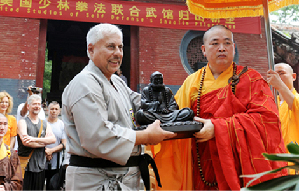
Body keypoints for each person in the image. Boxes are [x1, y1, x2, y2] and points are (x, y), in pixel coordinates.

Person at [152, 25, 287, 190]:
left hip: (240, 169)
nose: (222, 48)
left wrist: (218, 128)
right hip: (201, 167)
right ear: (203, 49)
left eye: (227, 43)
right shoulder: (192, 82)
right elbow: (173, 117)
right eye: (215, 43)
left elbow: (268, 121)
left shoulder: (252, 80)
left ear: (234, 47)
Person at [62, 23, 175, 191]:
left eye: (120, 47)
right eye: (111, 47)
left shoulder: (116, 81)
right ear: (91, 50)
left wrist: (175, 112)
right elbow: (98, 136)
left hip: (126, 176)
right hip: (96, 180)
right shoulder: (85, 83)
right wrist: (145, 137)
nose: (118, 53)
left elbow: (141, 104)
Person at [17, 94, 56, 190]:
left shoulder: (44, 123)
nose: (37, 106)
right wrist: (44, 143)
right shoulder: (22, 122)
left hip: (40, 166)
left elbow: (53, 139)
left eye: (39, 104)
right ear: (28, 106)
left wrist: (34, 139)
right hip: (25, 166)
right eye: (34, 104)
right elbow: (26, 142)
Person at [267, 63, 299, 146]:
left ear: (293, 76)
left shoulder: (297, 99)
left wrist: (280, 85)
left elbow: (295, 105)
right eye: (274, 75)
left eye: (281, 73)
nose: (277, 78)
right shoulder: (270, 102)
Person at [44, 101, 66, 190]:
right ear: (47, 110)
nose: (54, 111)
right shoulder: (42, 123)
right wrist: (46, 152)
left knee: (53, 187)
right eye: (52, 109)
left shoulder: (62, 125)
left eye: (56, 109)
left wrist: (51, 151)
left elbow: (64, 144)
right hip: (41, 162)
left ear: (59, 111)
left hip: (56, 163)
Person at [0, 113, 23, 190]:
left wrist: (5, 188)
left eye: (5, 124)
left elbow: (18, 182)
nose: (2, 127)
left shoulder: (11, 153)